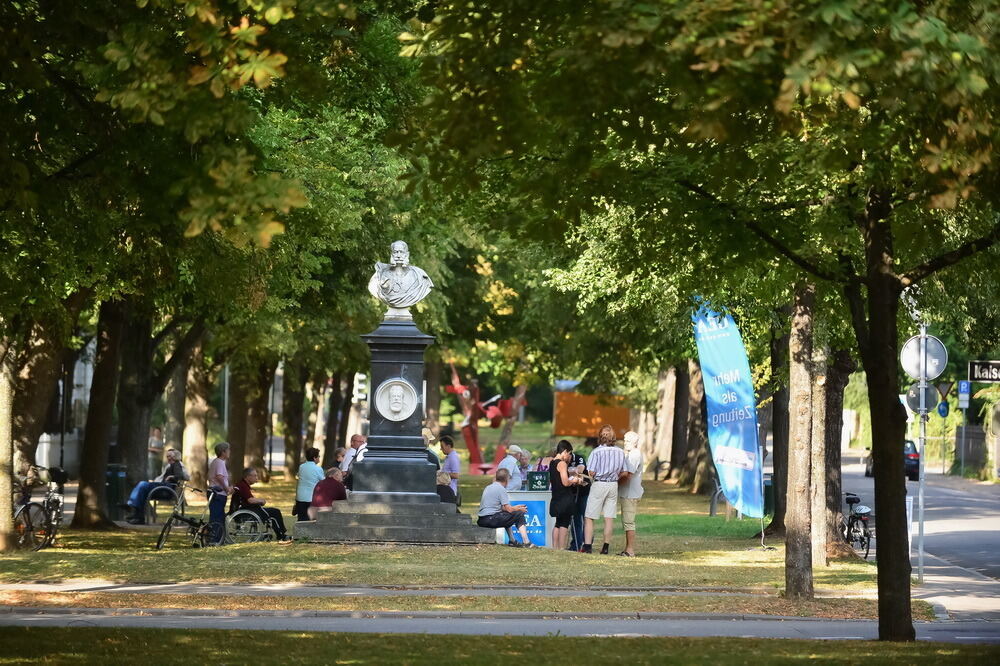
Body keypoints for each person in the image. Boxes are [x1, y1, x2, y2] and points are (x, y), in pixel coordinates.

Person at [582, 424, 626, 554]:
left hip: (599, 484)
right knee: (609, 517)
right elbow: (624, 471)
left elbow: (591, 472)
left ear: (600, 437)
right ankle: (605, 547)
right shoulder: (620, 451)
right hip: (613, 484)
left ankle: (588, 546)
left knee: (590, 516)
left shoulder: (596, 452)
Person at [126, 448, 189, 525]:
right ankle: (137, 516)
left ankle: (132, 509)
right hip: (162, 488)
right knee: (142, 489)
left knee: (142, 484)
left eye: (170, 456)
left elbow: (181, 475)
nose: (168, 458)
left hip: (166, 490)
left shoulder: (177, 464)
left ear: (174, 456)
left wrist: (171, 477)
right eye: (167, 456)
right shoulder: (170, 465)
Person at [231, 467, 292, 543]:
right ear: (248, 476)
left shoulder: (242, 485)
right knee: (275, 512)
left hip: (247, 510)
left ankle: (278, 534)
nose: (257, 478)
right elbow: (250, 500)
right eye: (255, 475)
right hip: (247, 512)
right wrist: (261, 500)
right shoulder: (243, 486)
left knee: (273, 511)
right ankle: (282, 535)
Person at [477, 468, 534, 547]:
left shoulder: (488, 487)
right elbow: (509, 510)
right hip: (491, 519)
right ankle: (526, 542)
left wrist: (516, 507)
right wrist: (519, 509)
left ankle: (512, 541)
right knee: (519, 514)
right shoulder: (501, 489)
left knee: (507, 515)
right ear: (507, 479)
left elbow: (501, 508)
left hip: (482, 520)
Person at [548, 440, 579, 550]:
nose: (569, 456)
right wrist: (574, 480)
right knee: (564, 524)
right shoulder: (562, 464)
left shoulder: (552, 462)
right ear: (565, 451)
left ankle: (555, 547)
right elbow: (565, 482)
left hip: (556, 496)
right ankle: (561, 548)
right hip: (565, 498)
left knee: (557, 523)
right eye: (569, 453)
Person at [618, 430, 644, 557]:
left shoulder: (634, 454)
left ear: (635, 443)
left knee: (629, 522)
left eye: (628, 441)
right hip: (627, 492)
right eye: (624, 440)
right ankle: (627, 548)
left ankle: (630, 550)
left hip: (630, 493)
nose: (625, 443)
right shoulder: (628, 454)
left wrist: (613, 482)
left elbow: (628, 474)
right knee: (626, 521)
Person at [207, 442, 232, 545]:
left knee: (219, 516)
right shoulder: (219, 462)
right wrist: (226, 488)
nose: (229, 452)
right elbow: (219, 477)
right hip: (217, 493)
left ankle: (219, 538)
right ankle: (215, 539)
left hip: (218, 493)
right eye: (228, 450)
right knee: (216, 517)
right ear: (223, 452)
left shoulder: (217, 462)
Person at [567, 441, 590, 551]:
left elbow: (580, 469)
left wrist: (572, 471)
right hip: (572, 492)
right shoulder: (562, 461)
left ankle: (587, 543)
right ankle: (575, 544)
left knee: (586, 518)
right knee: (575, 519)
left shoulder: (578, 458)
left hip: (584, 492)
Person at [293, 447, 324, 522]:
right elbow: (323, 482)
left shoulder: (301, 467)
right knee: (312, 520)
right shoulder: (318, 469)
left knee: (301, 519)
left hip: (300, 497)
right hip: (311, 498)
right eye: (318, 456)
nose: (319, 458)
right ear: (314, 458)